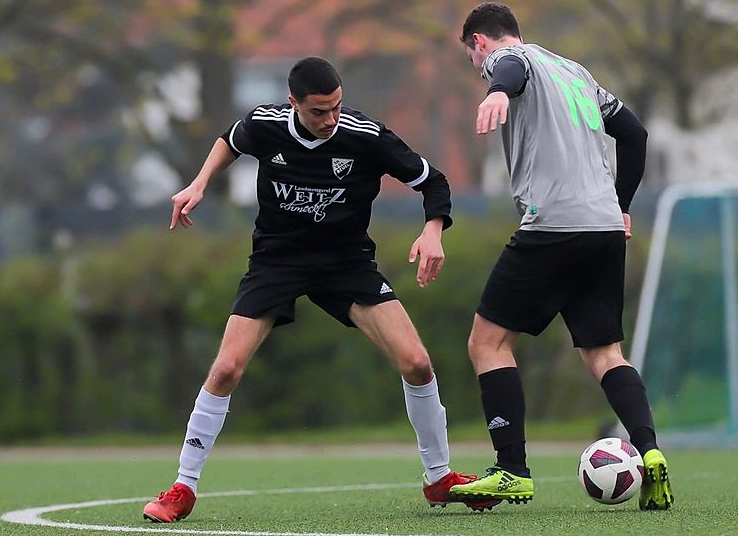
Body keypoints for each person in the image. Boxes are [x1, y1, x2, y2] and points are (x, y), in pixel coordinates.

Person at [142, 56, 498, 523]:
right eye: (318, 111)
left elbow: (433, 181)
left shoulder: (365, 136)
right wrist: (200, 183)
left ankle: (439, 477)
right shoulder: (266, 124)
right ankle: (182, 487)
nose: (330, 119)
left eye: (336, 107)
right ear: (293, 104)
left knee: (417, 363)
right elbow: (230, 139)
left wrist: (433, 231)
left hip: (346, 265)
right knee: (227, 367)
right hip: (277, 262)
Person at [448, 2, 674, 511]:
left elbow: (509, 67)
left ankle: (511, 470)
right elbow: (634, 135)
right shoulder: (576, 71)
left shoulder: (510, 59)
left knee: (487, 343)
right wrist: (621, 206)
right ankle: (651, 453)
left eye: (473, 57)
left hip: (553, 223)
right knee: (605, 354)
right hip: (602, 227)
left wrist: (498, 89)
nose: (478, 66)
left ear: (479, 42)